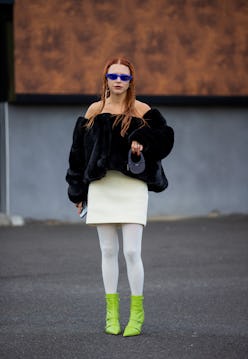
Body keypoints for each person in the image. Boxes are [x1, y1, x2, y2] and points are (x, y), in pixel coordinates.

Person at [66, 56, 174, 336]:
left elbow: (166, 139)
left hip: (131, 188)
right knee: (108, 251)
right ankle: (111, 314)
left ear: (131, 81)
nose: (118, 81)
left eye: (124, 77)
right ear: (105, 78)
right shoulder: (94, 110)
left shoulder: (142, 110)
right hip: (101, 188)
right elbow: (77, 154)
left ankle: (136, 313)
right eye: (113, 76)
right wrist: (77, 191)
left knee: (131, 251)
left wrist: (143, 142)